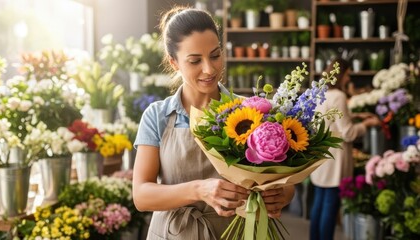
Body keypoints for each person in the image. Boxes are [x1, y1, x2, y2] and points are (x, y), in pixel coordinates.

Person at [132, 6, 295, 239]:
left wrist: (283, 194)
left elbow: (281, 179)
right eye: (195, 61)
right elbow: (141, 195)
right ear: (174, 62)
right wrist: (200, 189)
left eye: (215, 55)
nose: (209, 69)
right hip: (175, 233)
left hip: (237, 233)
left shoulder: (251, 112)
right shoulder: (157, 115)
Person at [309, 58, 381, 240]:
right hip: (335, 159)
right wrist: (366, 123)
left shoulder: (320, 92)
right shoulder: (339, 96)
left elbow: (332, 118)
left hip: (319, 154)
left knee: (318, 204)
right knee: (330, 208)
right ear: (341, 74)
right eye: (348, 73)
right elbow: (348, 133)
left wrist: (355, 114)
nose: (349, 78)